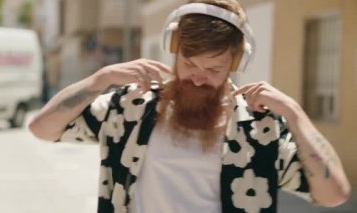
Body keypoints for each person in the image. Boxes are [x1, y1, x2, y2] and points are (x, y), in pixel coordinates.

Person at [29, 0, 351, 212]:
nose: (198, 79)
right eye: (189, 63)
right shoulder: (130, 106)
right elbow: (41, 128)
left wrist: (295, 114)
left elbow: (334, 194)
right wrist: (100, 79)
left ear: (236, 63)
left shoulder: (259, 128)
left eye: (213, 70)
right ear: (174, 50)